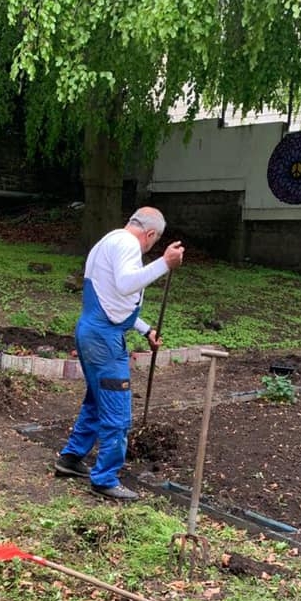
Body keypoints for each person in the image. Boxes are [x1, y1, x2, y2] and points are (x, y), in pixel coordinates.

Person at [55, 207, 185, 500]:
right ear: (150, 234)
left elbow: (113, 300)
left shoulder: (109, 240)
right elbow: (127, 285)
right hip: (104, 339)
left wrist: (145, 329)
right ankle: (105, 479)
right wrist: (165, 263)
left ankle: (71, 459)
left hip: (93, 330)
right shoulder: (127, 244)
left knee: (97, 398)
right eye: (154, 242)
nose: (150, 247)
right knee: (116, 408)